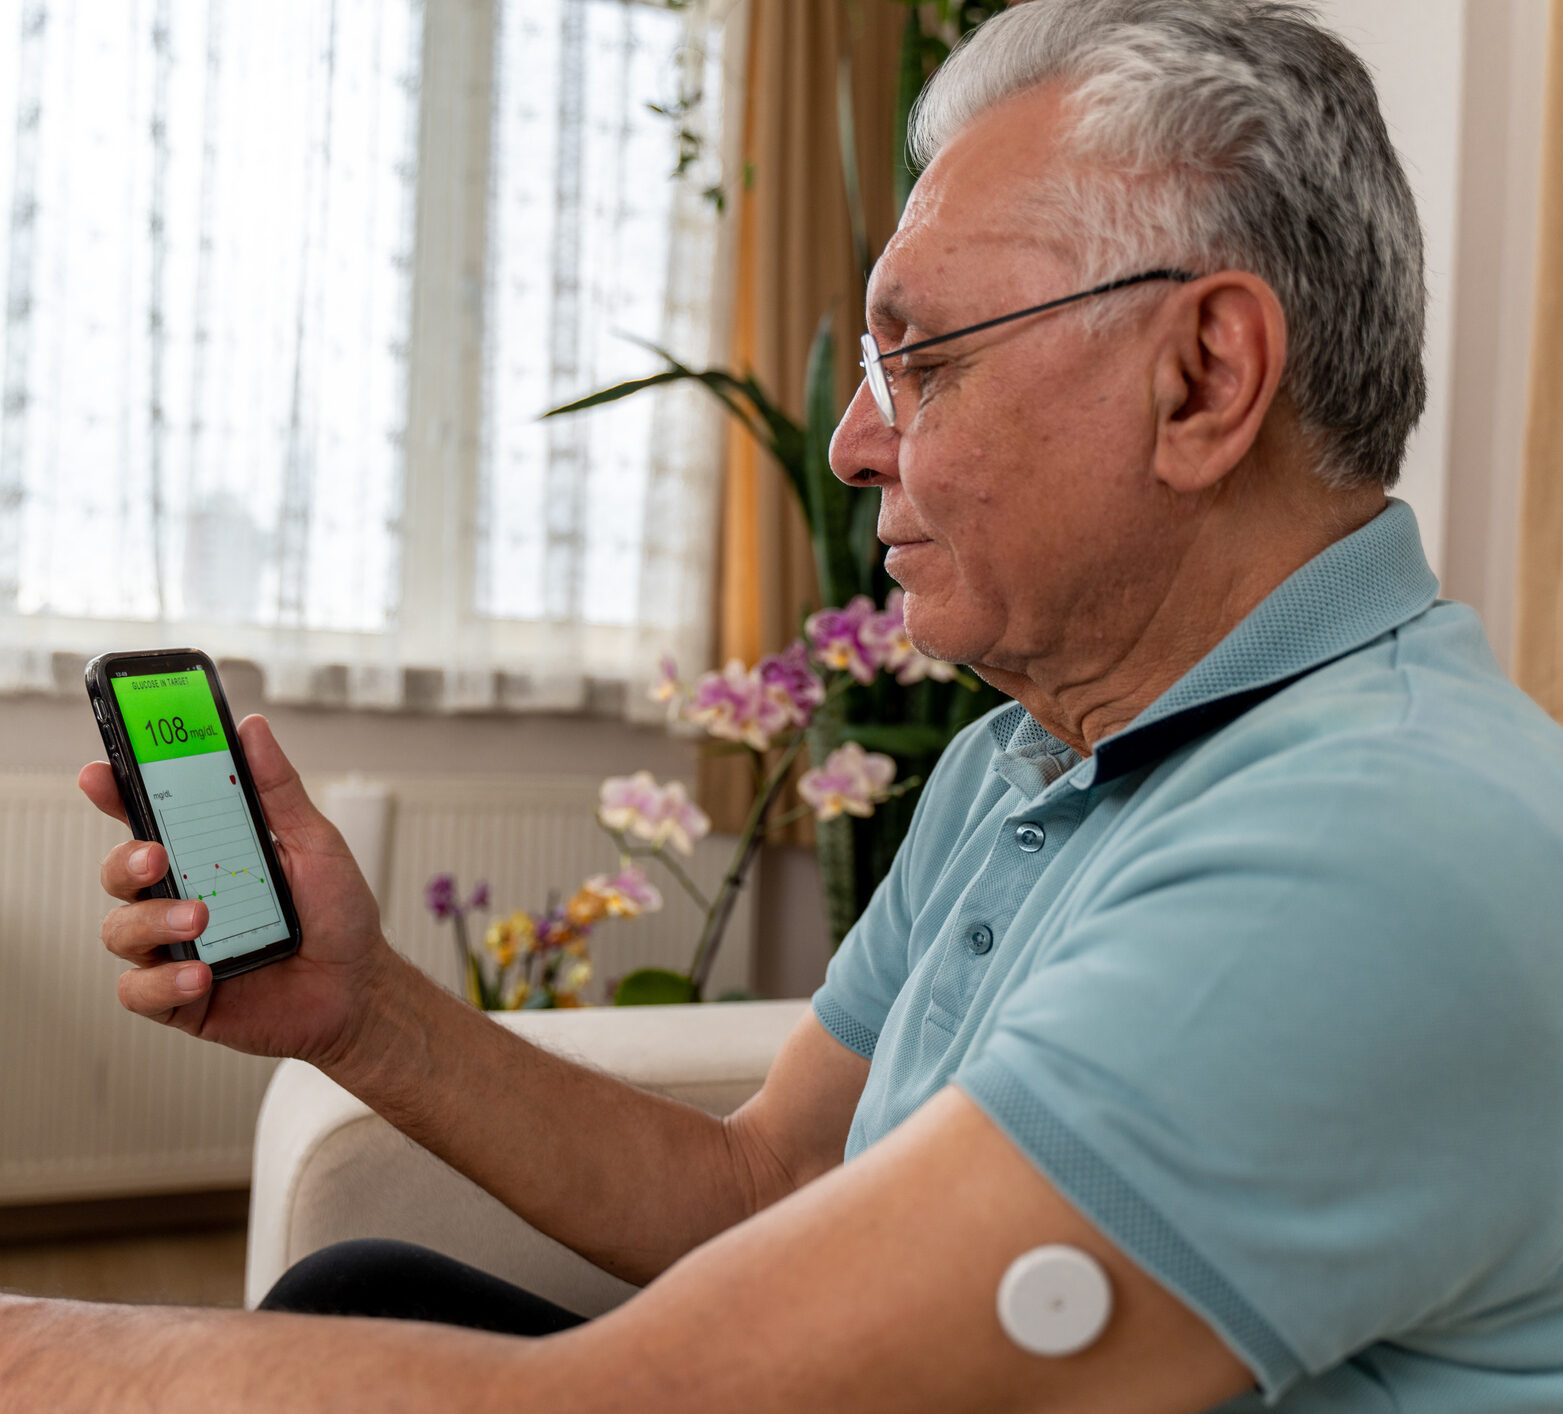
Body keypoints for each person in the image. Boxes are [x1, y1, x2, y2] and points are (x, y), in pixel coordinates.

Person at [6, 0, 1562, 1408]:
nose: (854, 448)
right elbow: (772, 1177)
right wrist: (365, 1012)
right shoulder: (1026, 760)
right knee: (361, 1293)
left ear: (1203, 378)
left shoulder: (1363, 854)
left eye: (923, 358)